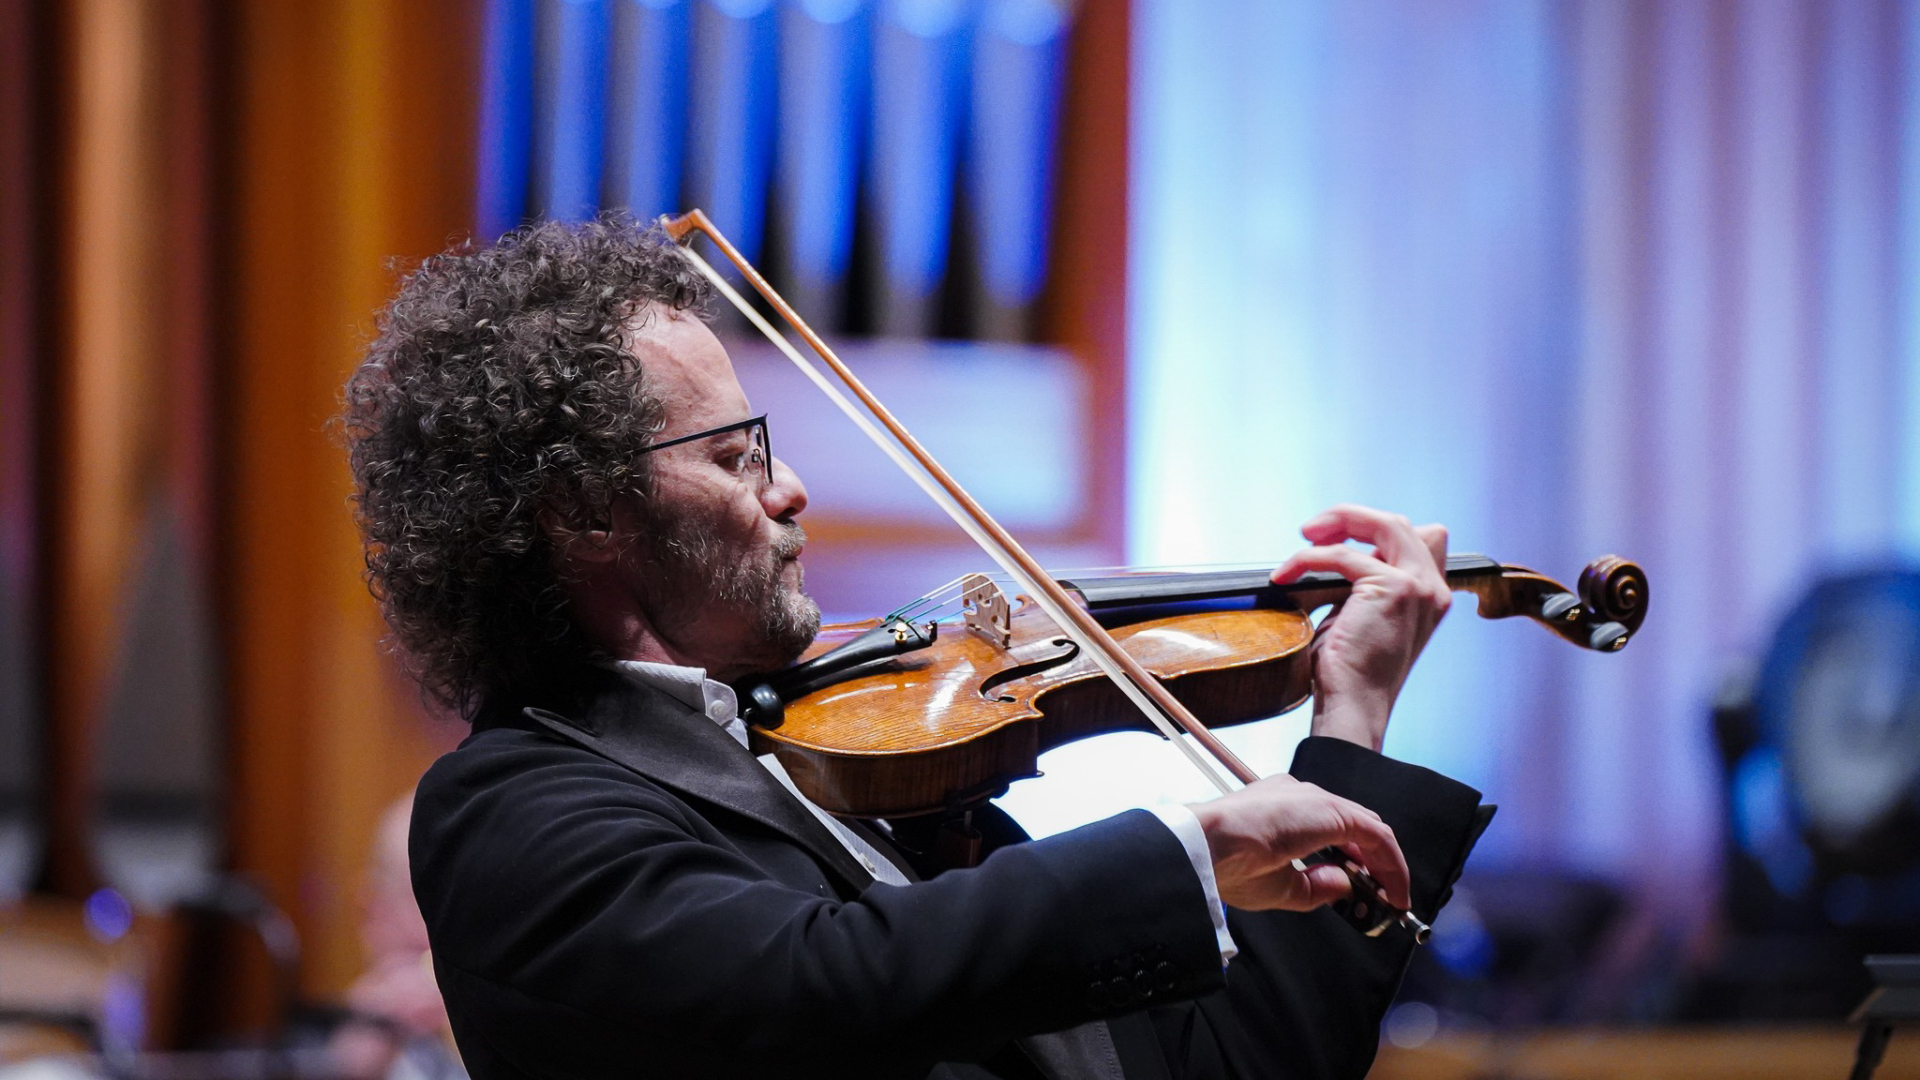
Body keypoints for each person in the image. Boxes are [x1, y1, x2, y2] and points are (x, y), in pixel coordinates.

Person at [342, 215, 1493, 1080]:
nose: (792, 488)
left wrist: (1349, 718)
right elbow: (815, 985)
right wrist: (1188, 847)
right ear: (585, 514)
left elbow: (1247, 1063)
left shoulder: (869, 781)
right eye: (736, 455)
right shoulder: (514, 808)